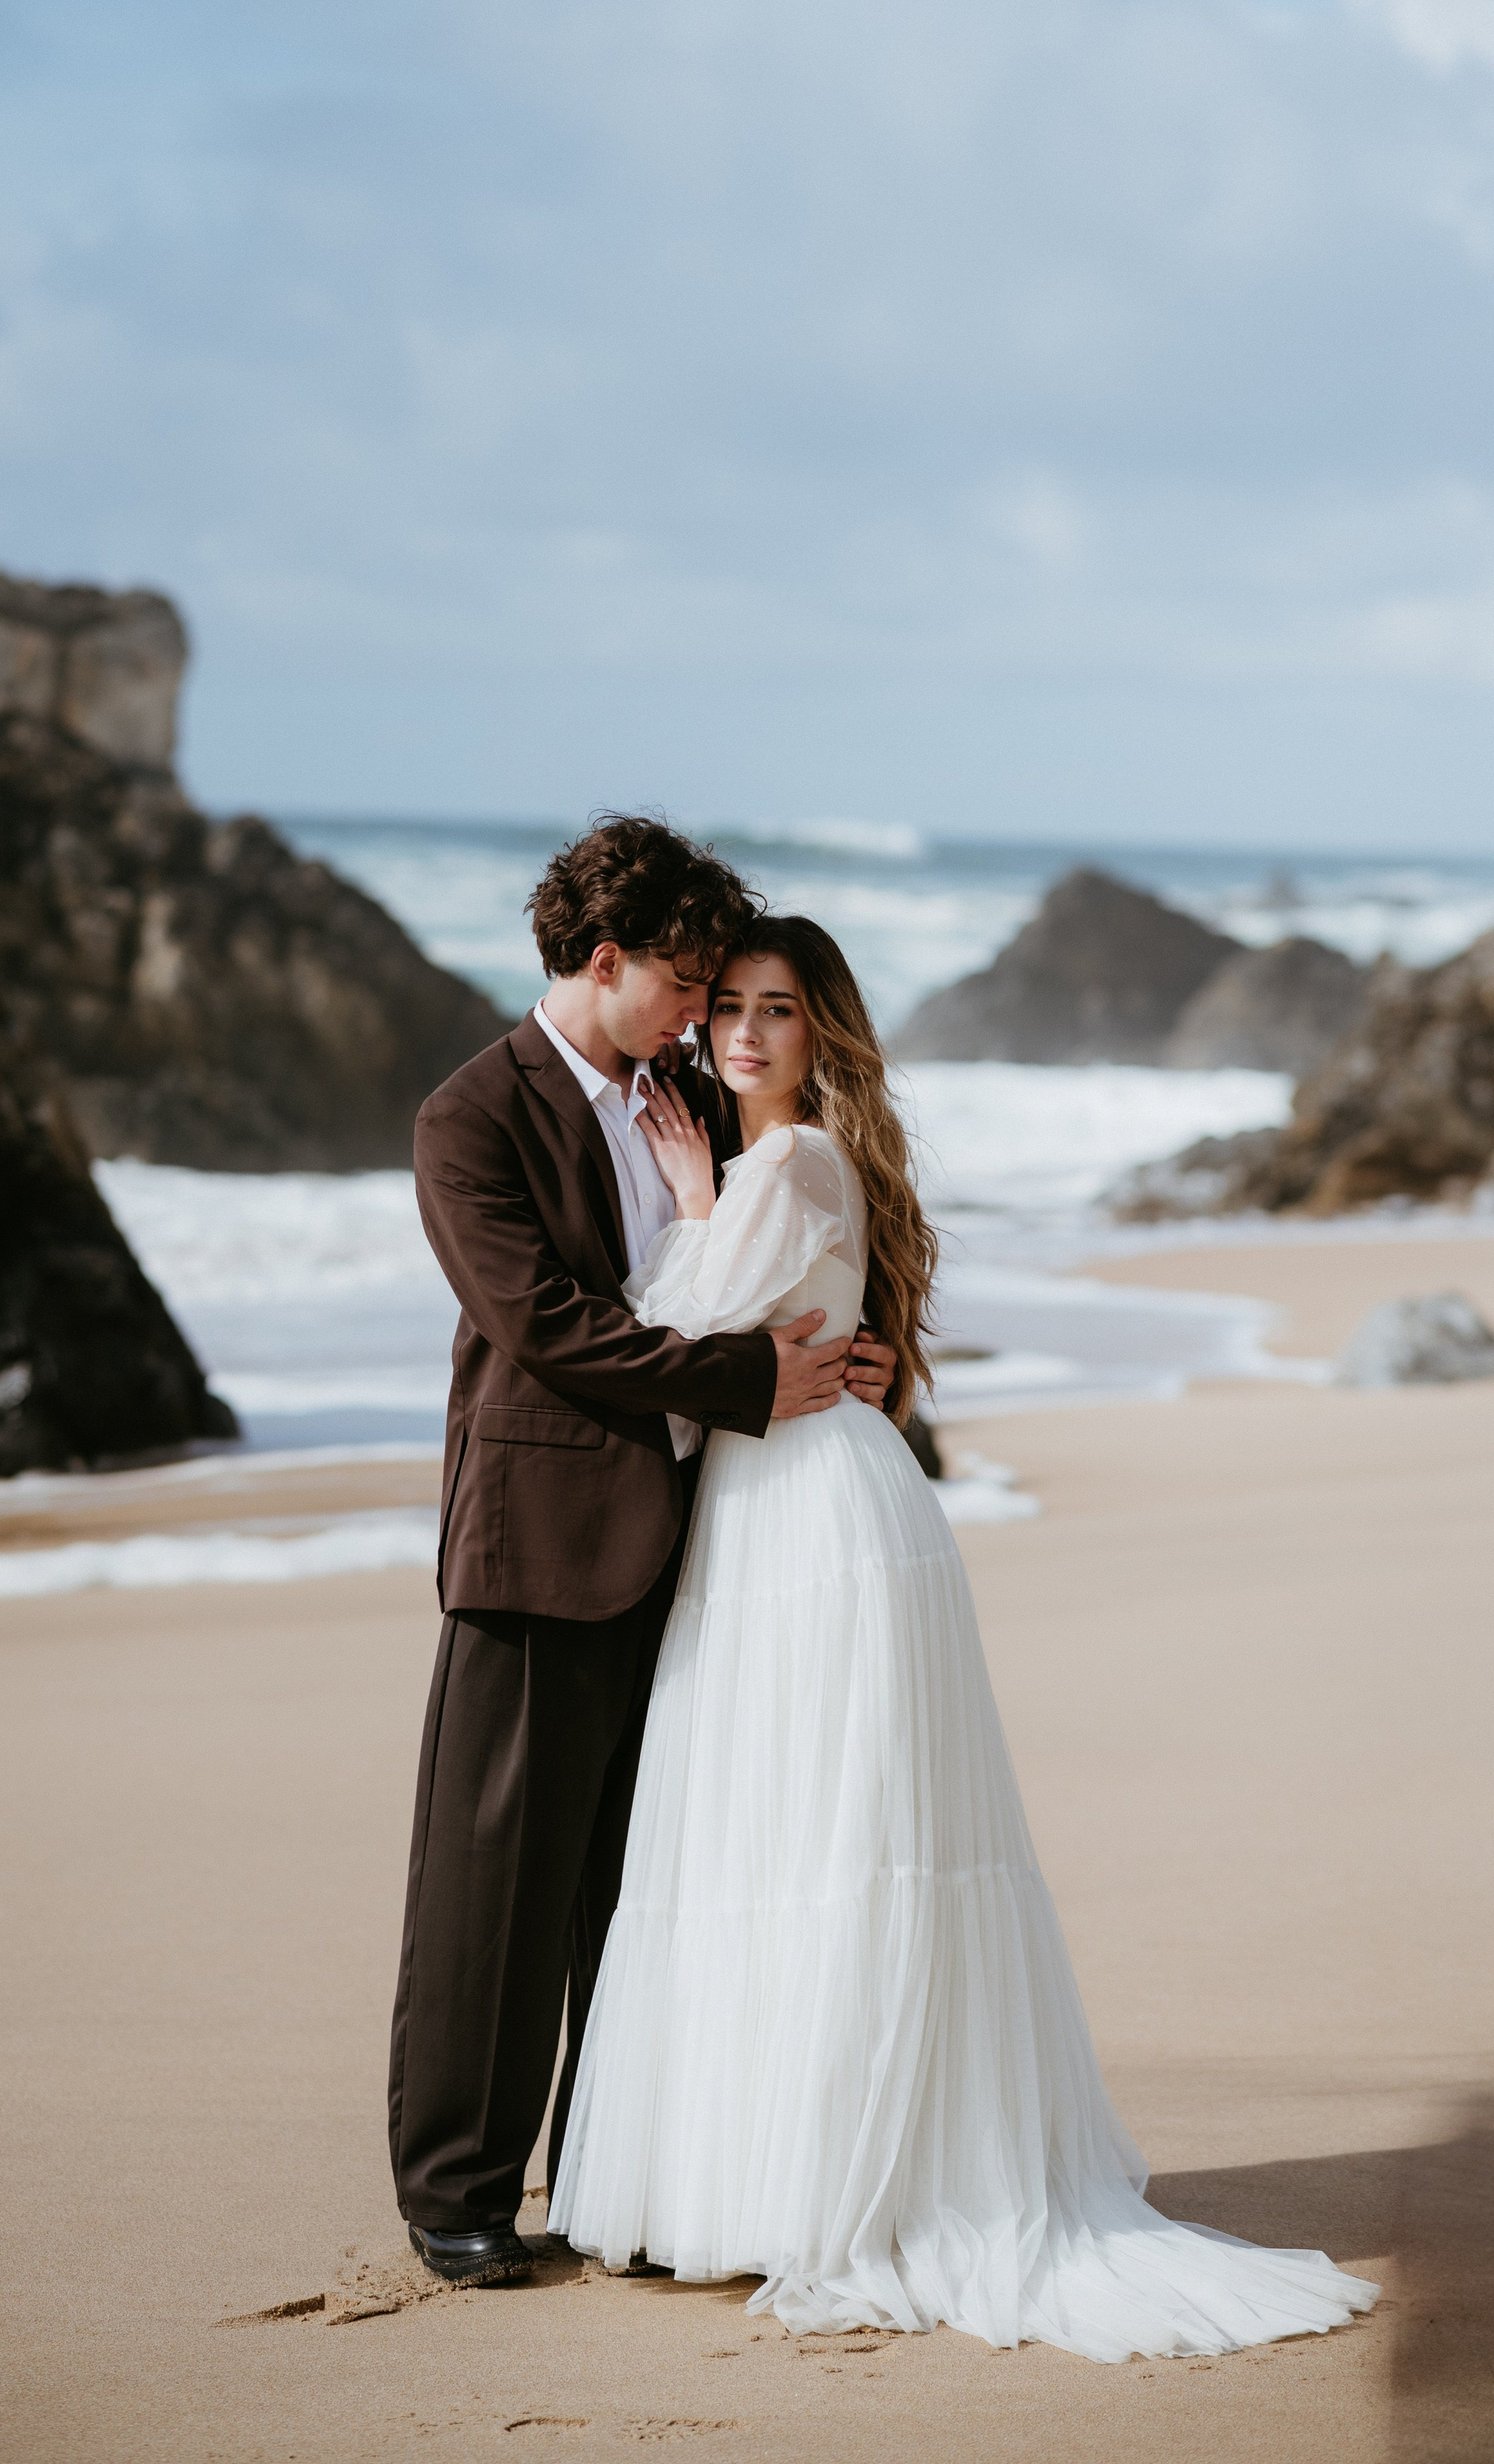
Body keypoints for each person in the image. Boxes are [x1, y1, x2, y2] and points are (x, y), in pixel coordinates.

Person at [549, 915, 1380, 2361]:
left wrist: (688, 1200)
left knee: (825, 1848)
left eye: (778, 1010)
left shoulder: (789, 1161)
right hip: (784, 1517)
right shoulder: (791, 1166)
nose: (745, 1033)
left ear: (821, 1033)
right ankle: (774, 2177)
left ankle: (828, 2182)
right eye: (729, 1007)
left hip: (816, 1530)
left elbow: (669, 1332)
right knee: (787, 1843)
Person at [389, 824, 900, 2288]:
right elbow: (546, 1325)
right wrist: (749, 1380)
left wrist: (863, 1359)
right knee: (492, 1882)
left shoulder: (681, 1087)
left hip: (704, 1549)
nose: (702, 1008)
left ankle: (617, 2181)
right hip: (538, 1543)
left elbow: (792, 1229)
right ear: (601, 963)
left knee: (638, 1890)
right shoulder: (467, 1118)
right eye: (683, 980)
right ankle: (457, 2192)